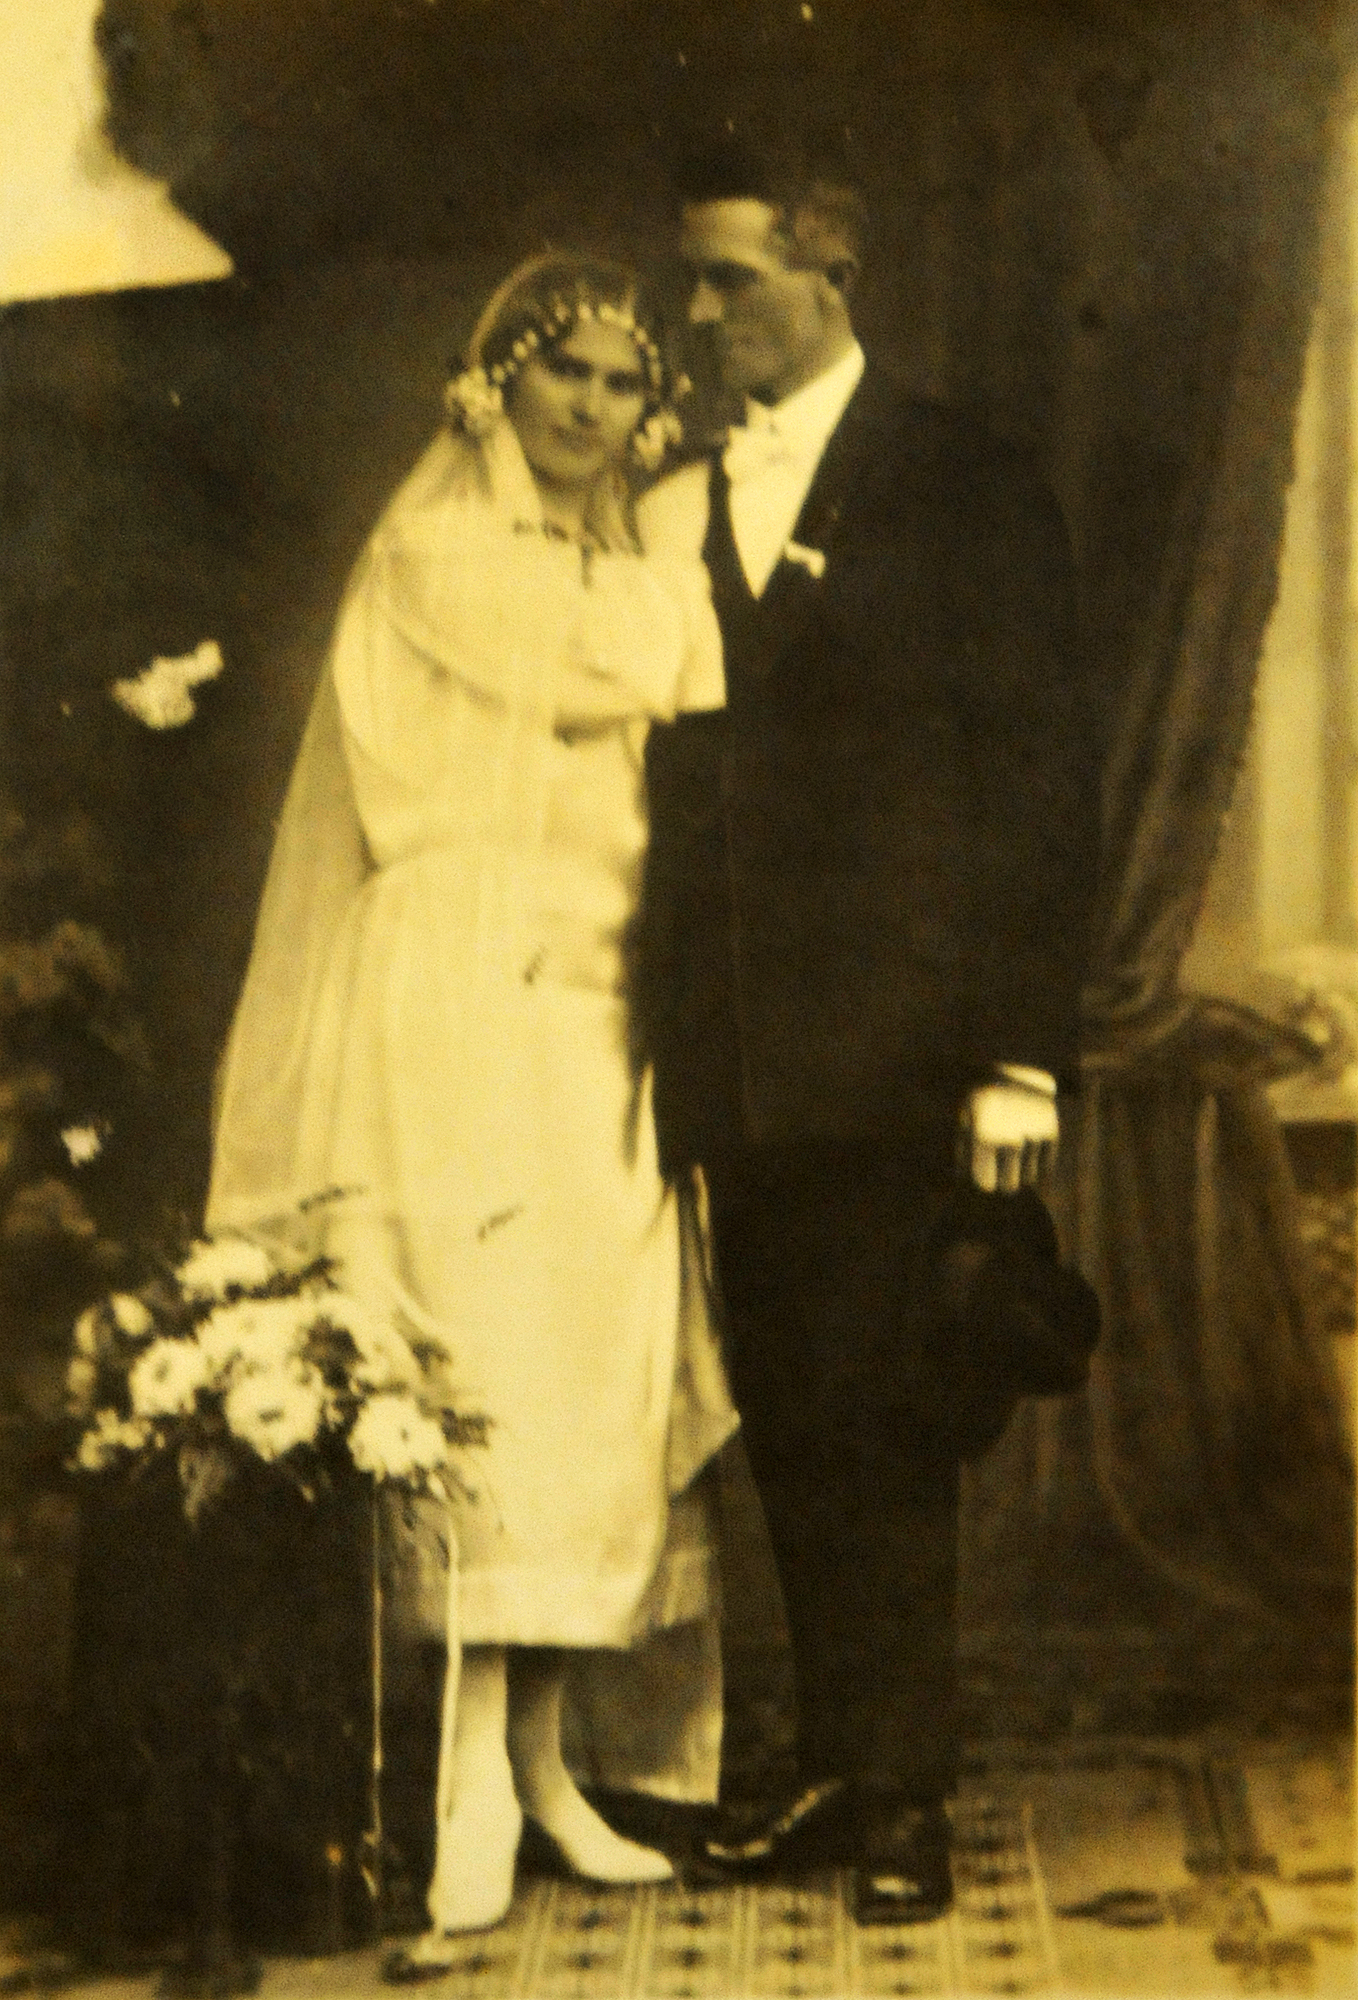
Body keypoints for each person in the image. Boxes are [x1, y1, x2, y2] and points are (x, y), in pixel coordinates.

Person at [205, 251, 737, 1963]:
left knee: (594, 1377)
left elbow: (674, 686)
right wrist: (664, 576)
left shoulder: (622, 565)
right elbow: (618, 671)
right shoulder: (442, 554)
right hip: (455, 1001)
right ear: (495, 382)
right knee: (483, 1364)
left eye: (620, 383)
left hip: (597, 1010)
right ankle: (465, 1788)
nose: (592, 407)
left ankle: (547, 1761)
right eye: (561, 371)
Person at [635, 144, 1104, 1923]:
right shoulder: (679, 497)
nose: (699, 315)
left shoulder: (962, 480)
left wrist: (1017, 1054)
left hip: (907, 1052)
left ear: (830, 279)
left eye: (730, 281)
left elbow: (1035, 780)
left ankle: (904, 1789)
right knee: (788, 1417)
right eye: (690, 282)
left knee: (891, 1417)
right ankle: (842, 1762)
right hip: (736, 1057)